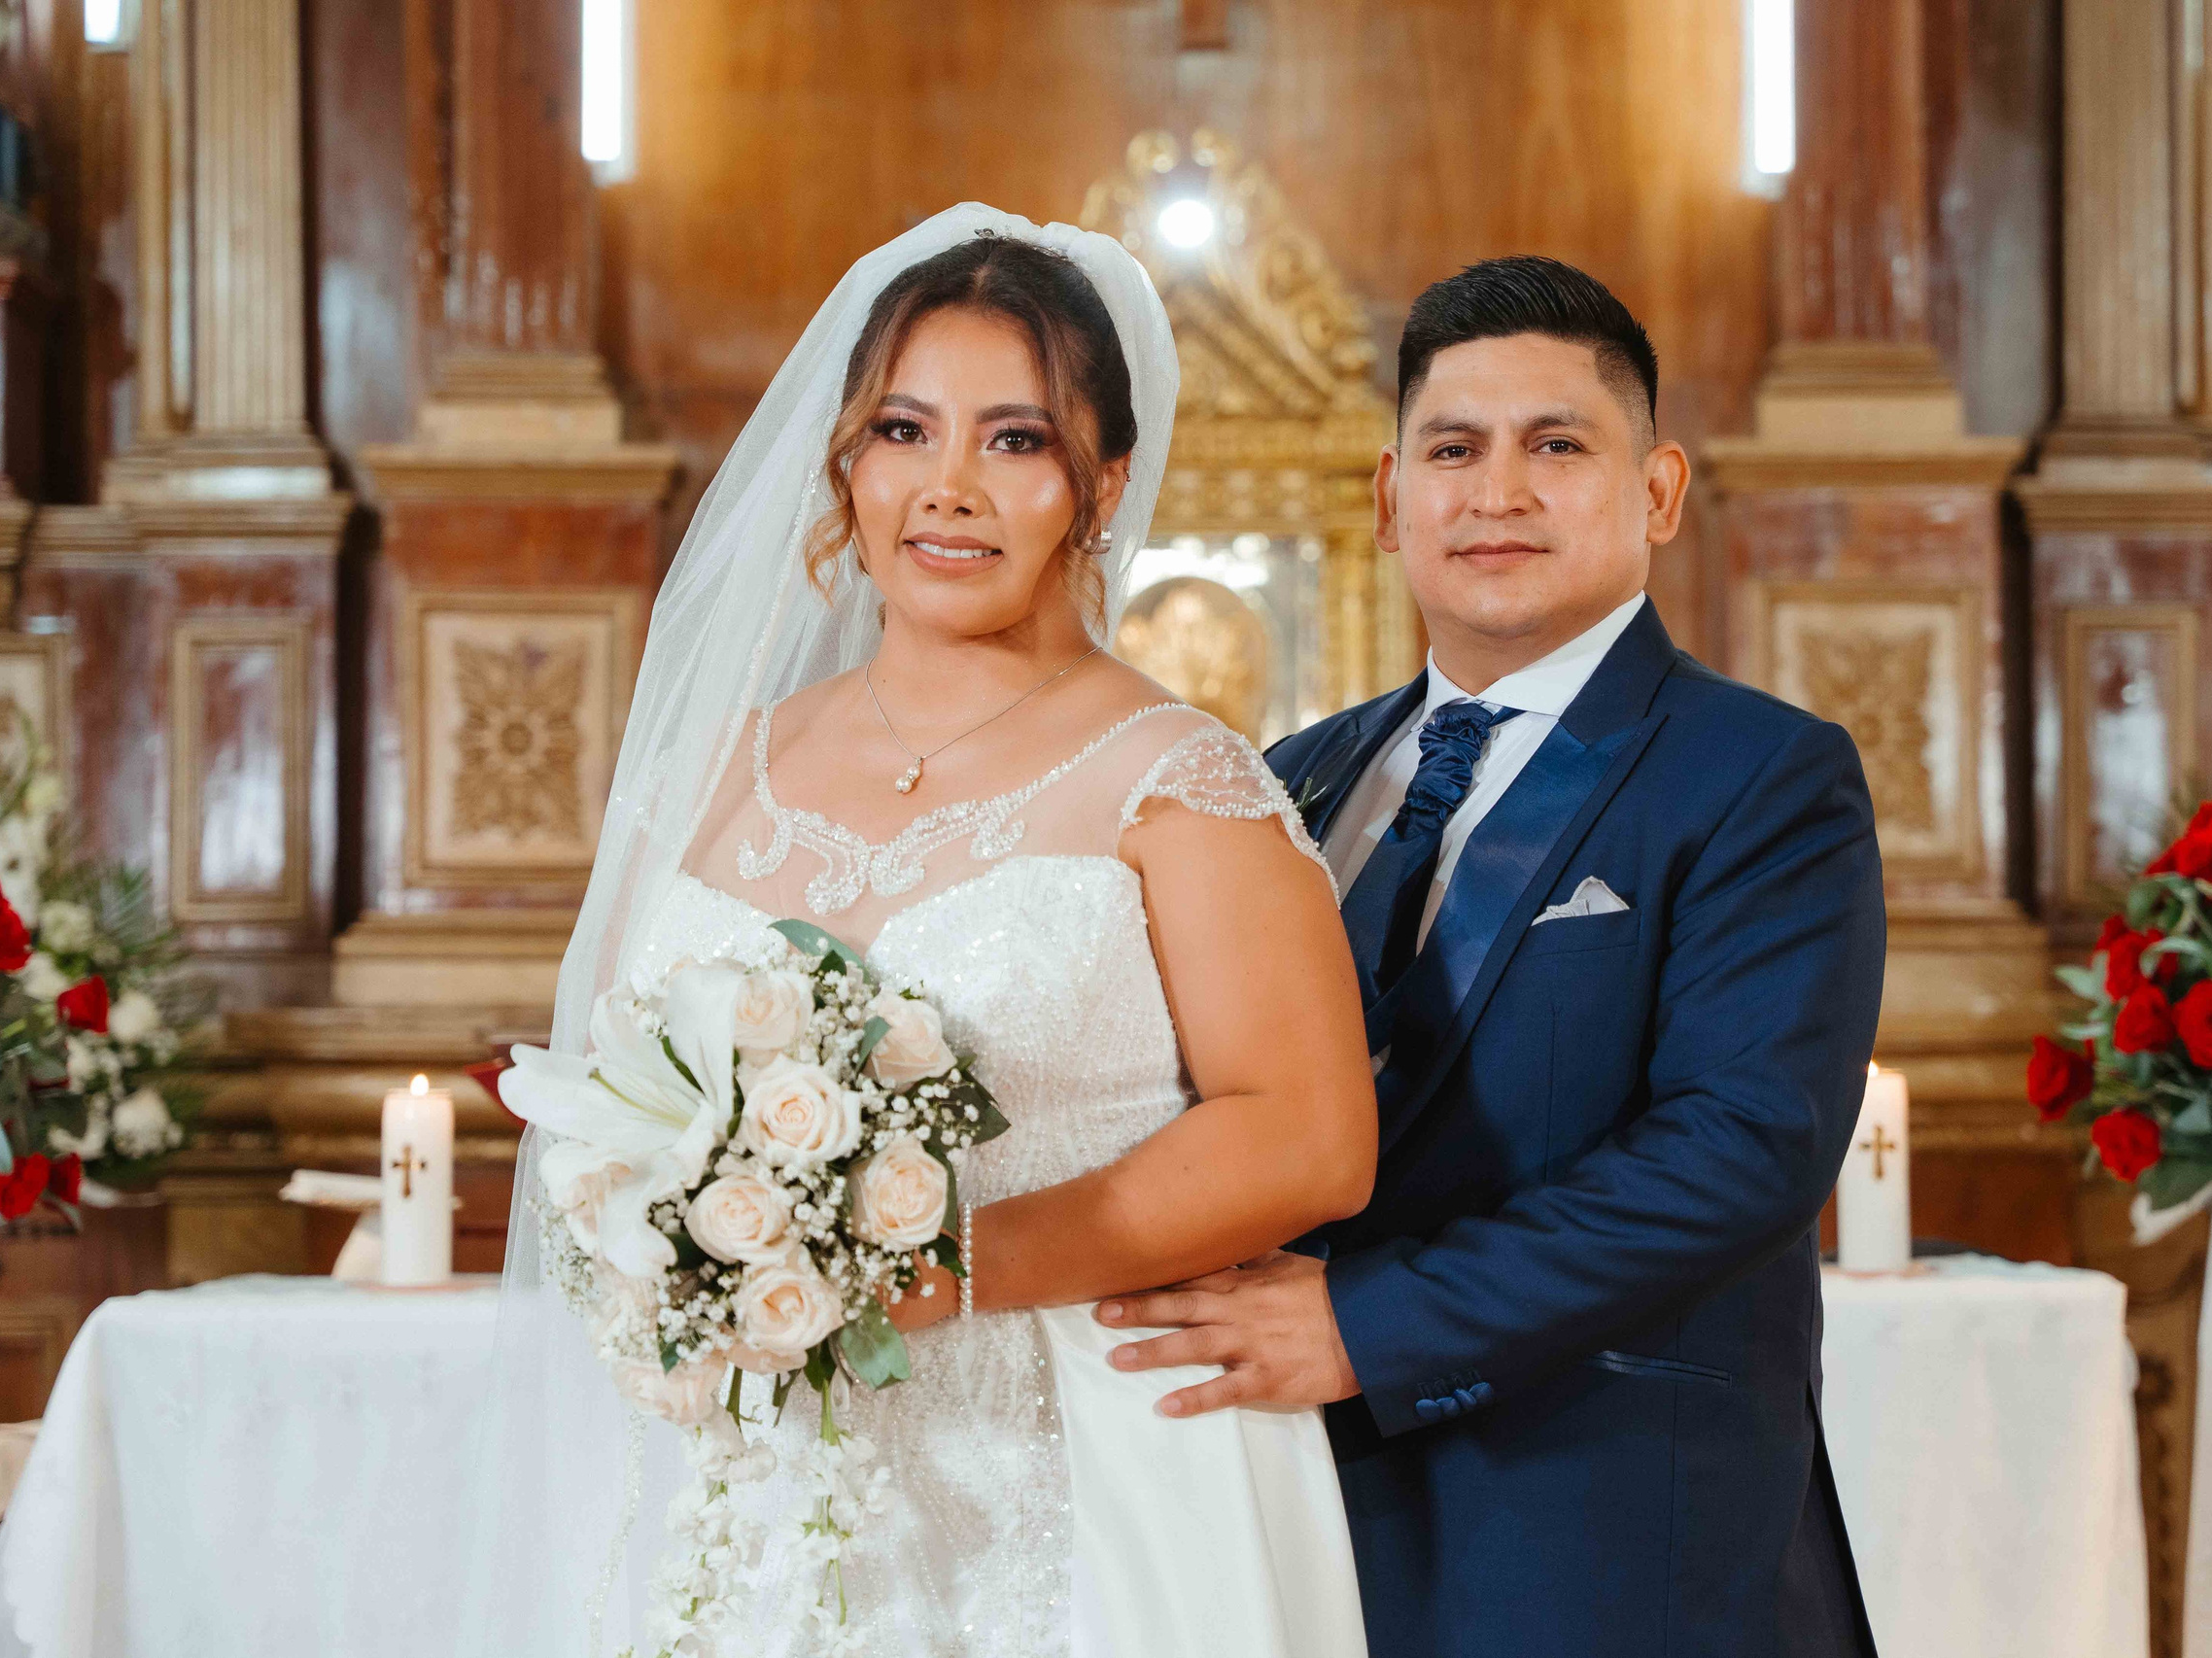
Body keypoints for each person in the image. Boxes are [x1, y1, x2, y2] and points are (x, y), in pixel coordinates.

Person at [464, 207, 1374, 1658]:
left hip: (1077, 1464)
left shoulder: (1179, 777)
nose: (949, 487)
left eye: (1015, 440)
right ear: (845, 462)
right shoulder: (714, 765)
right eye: (904, 429)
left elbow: (1312, 1136)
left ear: (1103, 483)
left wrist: (942, 1261)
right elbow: (613, 1100)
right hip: (748, 1474)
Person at [1098, 256, 1888, 1657]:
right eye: (1453, 449)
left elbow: (1740, 1148)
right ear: (1392, 498)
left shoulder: (1761, 775)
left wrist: (1366, 1320)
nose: (1498, 491)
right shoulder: (1286, 779)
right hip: (1290, 1512)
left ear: (1657, 491)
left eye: (1558, 445)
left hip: (1603, 1528)